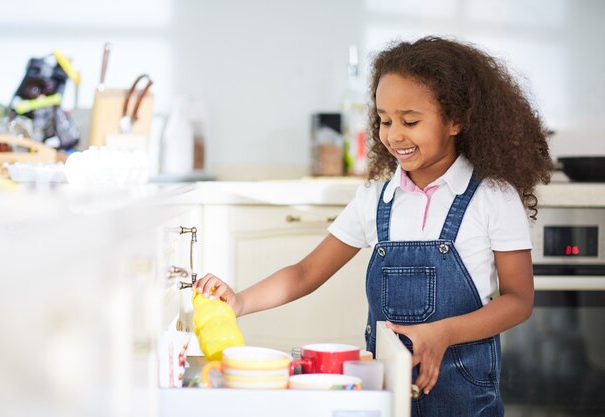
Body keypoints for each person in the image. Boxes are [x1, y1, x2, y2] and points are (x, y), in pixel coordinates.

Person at [195, 36, 553, 416]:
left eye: (410, 121)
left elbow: (519, 300)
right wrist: (240, 302)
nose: (394, 135)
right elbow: (304, 273)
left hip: (464, 400)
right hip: (387, 394)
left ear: (455, 120)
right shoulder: (375, 201)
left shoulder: (492, 197)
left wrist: (444, 333)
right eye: (384, 120)